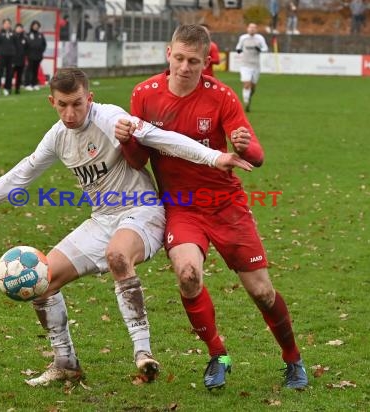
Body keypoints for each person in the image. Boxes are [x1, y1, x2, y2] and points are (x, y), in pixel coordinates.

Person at [0, 68, 251, 387]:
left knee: (118, 256)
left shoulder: (109, 118)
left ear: (89, 98)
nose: (70, 112)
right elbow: (25, 170)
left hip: (142, 211)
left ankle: (143, 353)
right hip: (103, 218)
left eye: (77, 104)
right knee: (43, 280)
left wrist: (214, 157)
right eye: (62, 105)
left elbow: (160, 138)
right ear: (52, 101)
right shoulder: (58, 137)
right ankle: (65, 363)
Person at [115, 24, 308, 391]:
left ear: (207, 62)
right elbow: (139, 161)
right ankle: (218, 354)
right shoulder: (145, 94)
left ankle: (293, 359)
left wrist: (244, 144)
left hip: (226, 205)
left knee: (262, 292)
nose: (185, 67)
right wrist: (127, 142)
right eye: (180, 58)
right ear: (168, 53)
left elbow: (257, 157)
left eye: (194, 61)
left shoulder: (221, 96)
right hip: (183, 207)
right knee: (188, 276)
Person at [235, 23, 269, 113]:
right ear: (247, 29)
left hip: (256, 66)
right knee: (246, 84)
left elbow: (265, 48)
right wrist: (238, 50)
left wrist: (260, 50)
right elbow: (238, 47)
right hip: (245, 65)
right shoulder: (243, 38)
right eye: (250, 28)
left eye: (254, 28)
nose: (252, 29)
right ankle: (246, 103)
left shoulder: (260, 38)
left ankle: (249, 98)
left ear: (256, 29)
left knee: (253, 87)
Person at [0, 18, 16, 97]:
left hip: (11, 57)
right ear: (3, 25)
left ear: (10, 25)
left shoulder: (13, 34)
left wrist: (13, 53)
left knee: (9, 73)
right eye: (5, 23)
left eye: (8, 23)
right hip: (2, 56)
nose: (7, 25)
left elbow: (16, 45)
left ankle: (7, 88)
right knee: (0, 72)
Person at [25, 20, 46, 91]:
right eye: (34, 25)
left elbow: (44, 44)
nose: (36, 27)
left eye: (37, 26)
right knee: (29, 70)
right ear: (32, 26)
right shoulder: (28, 34)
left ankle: (34, 84)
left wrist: (41, 51)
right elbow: (25, 45)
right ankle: (27, 84)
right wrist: (27, 53)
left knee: (35, 70)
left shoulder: (40, 35)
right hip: (30, 55)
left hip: (38, 56)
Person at [12, 23, 28, 95]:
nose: (19, 29)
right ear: (15, 29)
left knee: (19, 75)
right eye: (17, 28)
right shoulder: (12, 36)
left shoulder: (24, 38)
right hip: (13, 60)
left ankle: (17, 89)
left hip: (21, 60)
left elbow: (27, 48)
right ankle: (8, 88)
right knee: (10, 75)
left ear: (22, 29)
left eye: (20, 28)